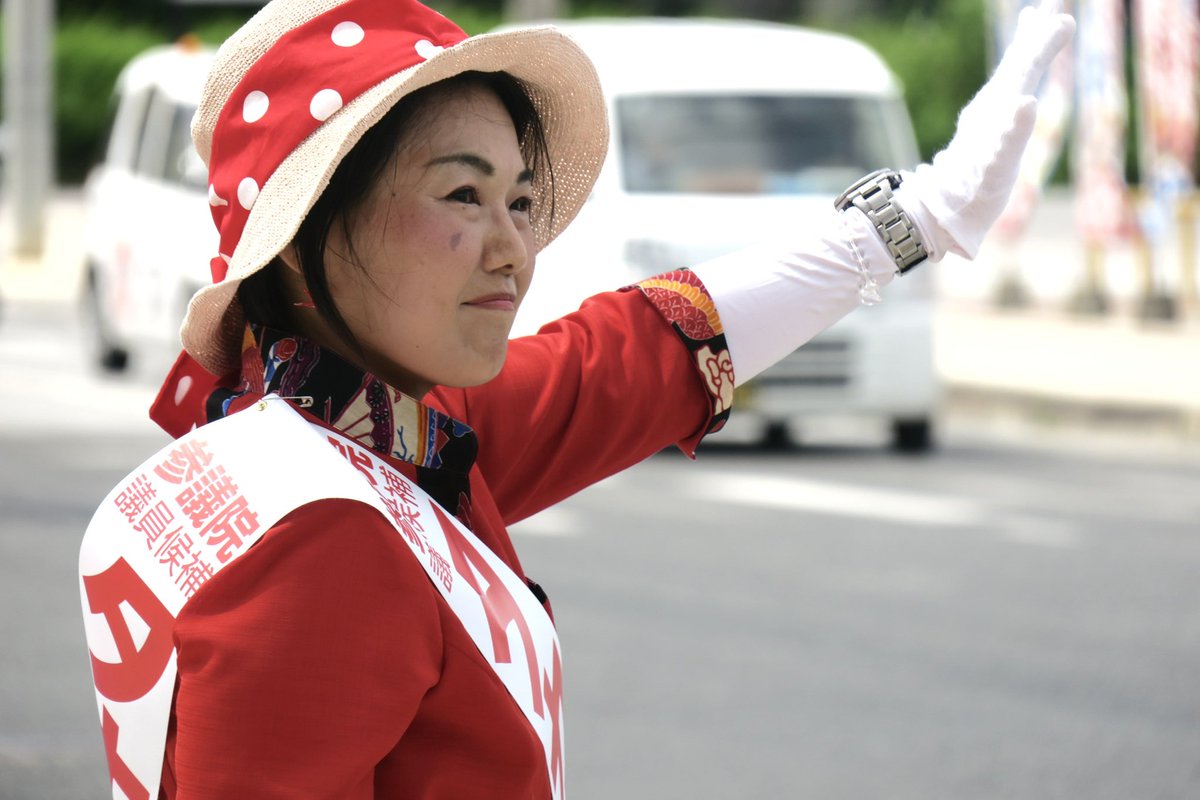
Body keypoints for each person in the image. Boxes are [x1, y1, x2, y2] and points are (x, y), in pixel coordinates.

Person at [77, 0, 1074, 797]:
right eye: (462, 196)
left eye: (519, 197)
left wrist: (921, 215)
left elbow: (637, 352)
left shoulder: (354, 436)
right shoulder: (324, 534)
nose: (514, 247)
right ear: (302, 234)